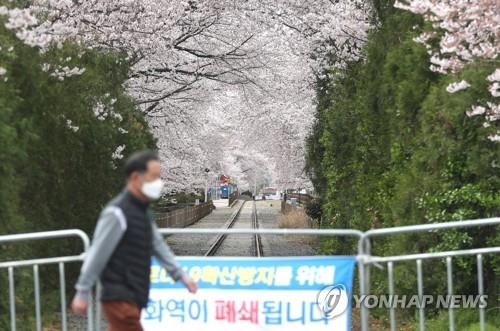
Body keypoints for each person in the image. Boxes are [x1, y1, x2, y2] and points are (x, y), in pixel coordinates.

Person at [71, 150, 198, 331]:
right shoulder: (117, 213)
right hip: (119, 295)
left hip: (133, 293)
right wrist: (83, 290)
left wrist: (181, 275)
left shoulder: (143, 212)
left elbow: (158, 245)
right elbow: (98, 253)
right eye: (154, 177)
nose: (159, 183)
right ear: (136, 178)